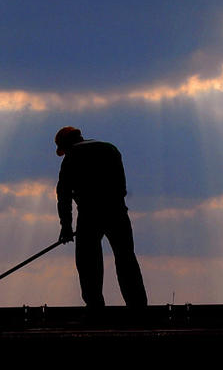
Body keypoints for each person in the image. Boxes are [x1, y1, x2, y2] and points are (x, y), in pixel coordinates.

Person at [54, 127, 147, 310]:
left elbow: (63, 195)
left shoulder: (72, 156)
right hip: (117, 212)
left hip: (89, 215)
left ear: (66, 144)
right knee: (126, 259)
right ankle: (138, 308)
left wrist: (66, 226)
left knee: (88, 262)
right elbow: (122, 186)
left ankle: (95, 308)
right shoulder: (110, 149)